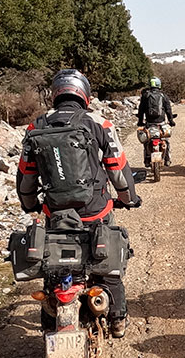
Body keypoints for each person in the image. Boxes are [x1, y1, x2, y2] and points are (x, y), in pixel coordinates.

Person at [17, 69, 142, 337]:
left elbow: (26, 177)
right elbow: (117, 170)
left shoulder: (35, 126)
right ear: (84, 94)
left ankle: (51, 321)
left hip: (56, 213)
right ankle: (118, 320)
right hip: (95, 210)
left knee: (53, 269)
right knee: (107, 264)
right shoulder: (100, 123)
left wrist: (30, 205)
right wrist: (129, 199)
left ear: (56, 94)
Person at [137, 77, 175, 167]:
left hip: (149, 123)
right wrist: (171, 121)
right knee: (165, 140)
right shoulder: (163, 96)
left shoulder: (145, 95)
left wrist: (140, 121)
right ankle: (167, 160)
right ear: (159, 85)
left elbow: (141, 110)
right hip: (160, 123)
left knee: (146, 140)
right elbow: (168, 110)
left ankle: (147, 159)